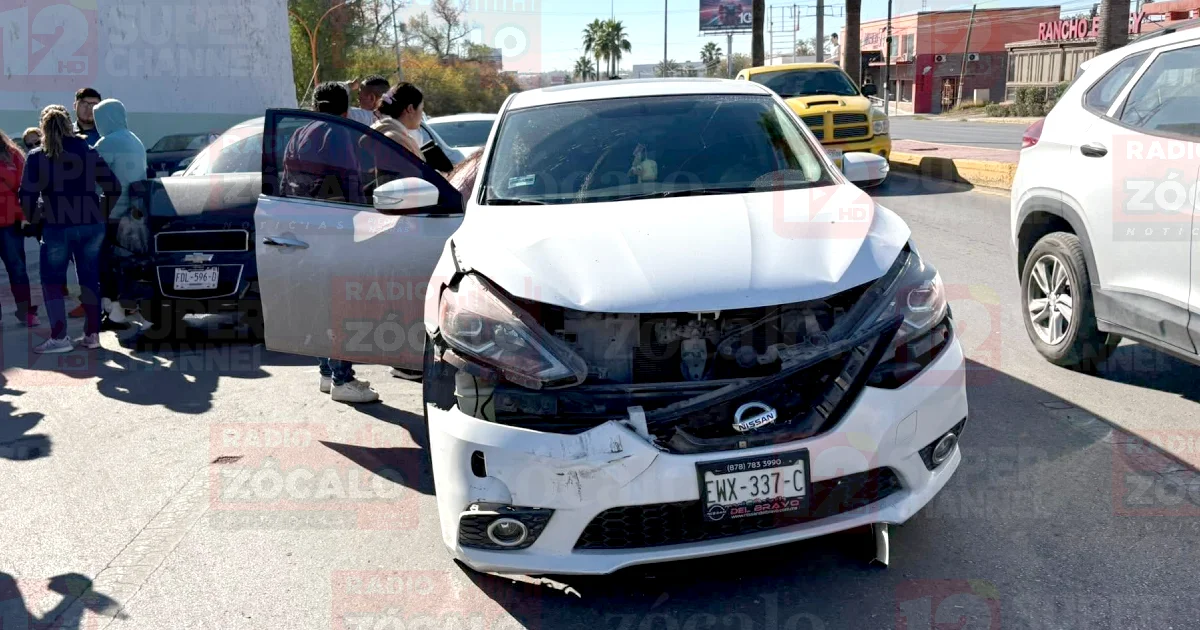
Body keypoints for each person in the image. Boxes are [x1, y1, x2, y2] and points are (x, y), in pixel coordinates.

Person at [282, 81, 379, 404]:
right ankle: (342, 378)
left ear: (315, 106)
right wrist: (364, 222)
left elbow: (286, 183)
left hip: (306, 230)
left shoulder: (299, 133)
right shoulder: (337, 133)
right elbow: (350, 181)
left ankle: (327, 371)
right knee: (340, 304)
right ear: (345, 108)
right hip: (334, 231)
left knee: (322, 304)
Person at [19, 105, 121, 353]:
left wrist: (35, 221)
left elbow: (27, 196)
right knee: (89, 280)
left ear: (43, 127)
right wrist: (101, 214)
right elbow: (113, 187)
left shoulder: (37, 156)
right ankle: (92, 335)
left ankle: (60, 337)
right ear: (68, 124)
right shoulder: (88, 151)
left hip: (57, 224)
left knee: (52, 282)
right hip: (91, 222)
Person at [92, 98, 148, 325]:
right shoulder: (135, 140)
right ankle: (129, 307)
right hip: (134, 213)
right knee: (127, 263)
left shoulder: (107, 143)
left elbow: (94, 178)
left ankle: (114, 313)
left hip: (110, 212)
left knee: (107, 263)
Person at [0, 128, 38, 327]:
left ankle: (26, 311)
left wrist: (24, 216)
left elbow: (26, 189)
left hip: (10, 223)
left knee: (18, 269)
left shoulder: (13, 154)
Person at [373, 83, 426, 161]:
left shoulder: (382, 131)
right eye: (421, 109)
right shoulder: (396, 140)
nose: (422, 115)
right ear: (410, 109)